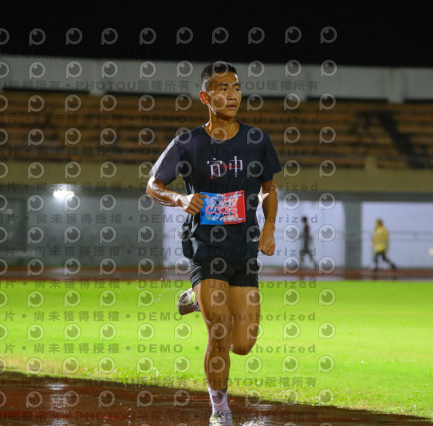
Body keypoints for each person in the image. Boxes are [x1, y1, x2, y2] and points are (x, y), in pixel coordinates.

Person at [145, 61, 281, 426]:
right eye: (223, 89)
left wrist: (269, 228)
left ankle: (194, 298)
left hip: (243, 248)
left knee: (243, 344)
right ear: (206, 97)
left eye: (236, 88)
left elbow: (269, 189)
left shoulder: (257, 140)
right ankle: (220, 411)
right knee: (219, 332)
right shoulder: (187, 143)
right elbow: (153, 185)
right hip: (204, 246)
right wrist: (179, 199)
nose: (232, 95)